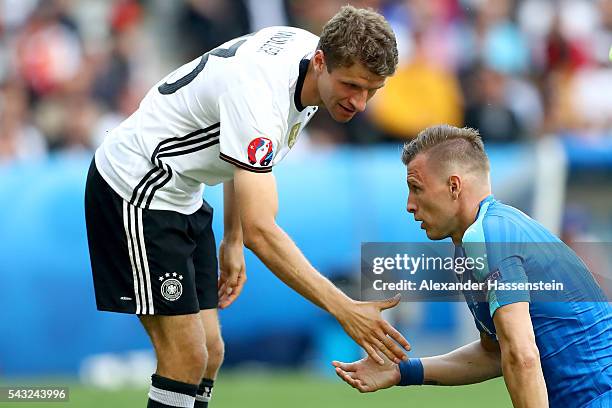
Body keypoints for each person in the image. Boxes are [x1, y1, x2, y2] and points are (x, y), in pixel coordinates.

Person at [85, 5, 410, 408]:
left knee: (210, 354)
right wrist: (344, 308)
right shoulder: (263, 93)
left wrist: (232, 239)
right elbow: (263, 229)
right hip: (135, 187)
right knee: (185, 358)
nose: (360, 102)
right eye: (351, 86)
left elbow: (241, 154)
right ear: (322, 63)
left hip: (182, 191)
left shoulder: (310, 57)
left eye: (371, 90)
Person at [333, 125, 612, 407]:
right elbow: (495, 354)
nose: (409, 204)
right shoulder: (474, 242)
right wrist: (401, 370)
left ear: (454, 186)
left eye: (416, 189)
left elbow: (522, 354)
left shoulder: (488, 236)